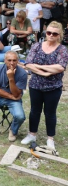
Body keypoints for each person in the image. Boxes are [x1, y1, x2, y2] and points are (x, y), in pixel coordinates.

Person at [21, 22, 68, 151]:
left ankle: (50, 138)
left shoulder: (62, 49)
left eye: (54, 33)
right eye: (49, 32)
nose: (51, 35)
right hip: (35, 85)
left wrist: (40, 67)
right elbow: (28, 64)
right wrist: (45, 72)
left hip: (54, 87)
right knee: (34, 111)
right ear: (45, 32)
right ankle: (32, 134)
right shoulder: (36, 46)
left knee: (50, 113)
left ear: (59, 35)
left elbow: (60, 67)